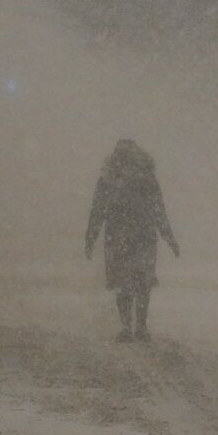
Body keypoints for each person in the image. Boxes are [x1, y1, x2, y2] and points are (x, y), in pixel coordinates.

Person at [86, 139, 179, 342]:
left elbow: (98, 211)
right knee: (137, 282)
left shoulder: (112, 178)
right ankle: (136, 328)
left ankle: (132, 328)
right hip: (137, 236)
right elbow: (158, 210)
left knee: (129, 282)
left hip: (124, 237)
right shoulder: (142, 177)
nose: (124, 160)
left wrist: (91, 238)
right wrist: (168, 237)